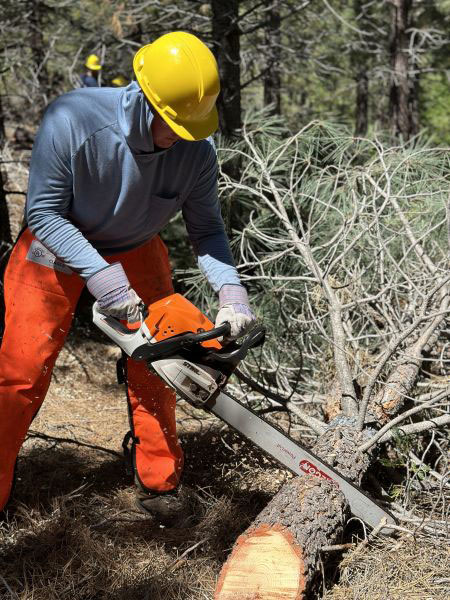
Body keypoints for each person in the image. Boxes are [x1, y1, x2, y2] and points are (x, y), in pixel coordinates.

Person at [0, 32, 255, 522]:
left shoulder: (195, 150)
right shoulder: (72, 120)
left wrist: (231, 292)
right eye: (173, 125)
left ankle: (160, 480)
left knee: (164, 360)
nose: (182, 137)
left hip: (136, 247)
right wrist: (102, 277)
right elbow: (45, 214)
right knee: (19, 373)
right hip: (55, 244)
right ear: (143, 99)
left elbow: (207, 230)